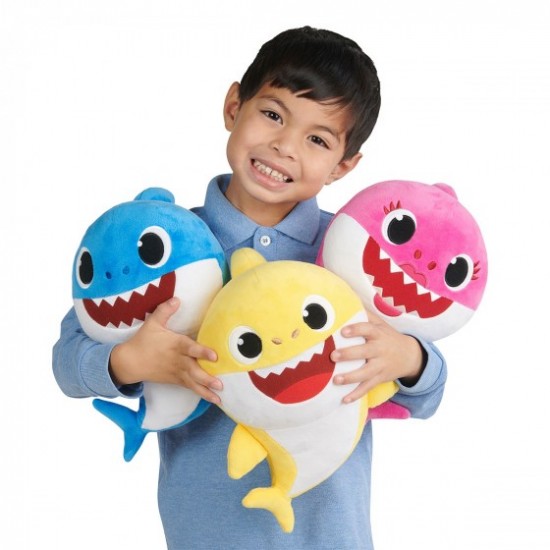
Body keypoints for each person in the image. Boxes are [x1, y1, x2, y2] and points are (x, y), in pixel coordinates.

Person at [53, 26, 447, 549]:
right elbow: (68, 359)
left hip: (332, 534)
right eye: (273, 114)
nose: (284, 146)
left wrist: (410, 357)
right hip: (205, 534)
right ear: (233, 106)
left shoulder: (351, 252)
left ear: (343, 165)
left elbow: (429, 394)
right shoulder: (163, 245)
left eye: (317, 139)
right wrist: (128, 362)